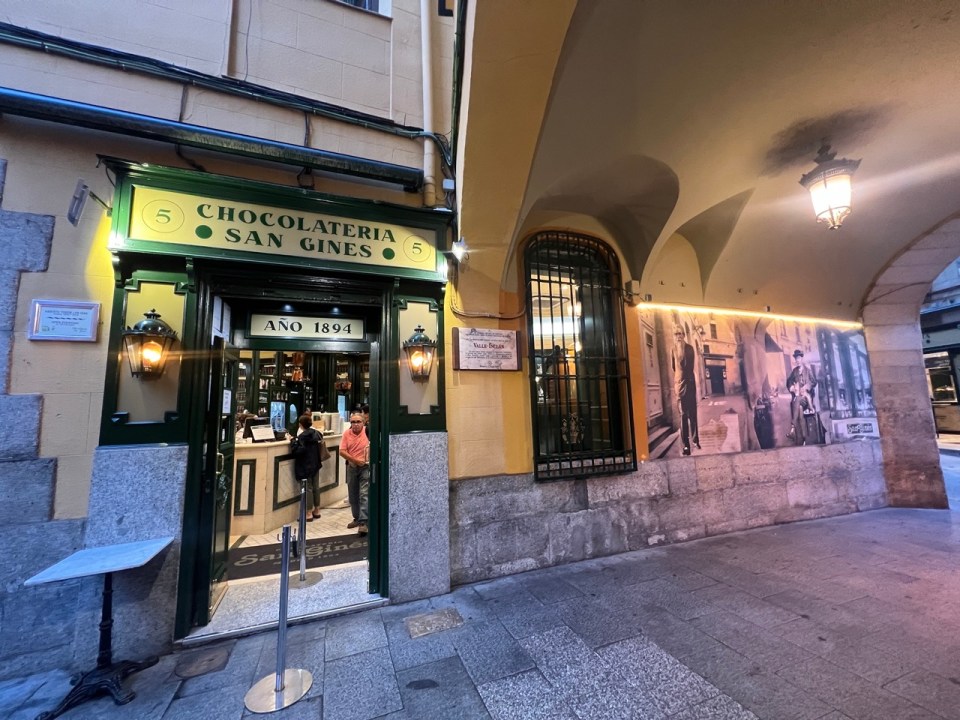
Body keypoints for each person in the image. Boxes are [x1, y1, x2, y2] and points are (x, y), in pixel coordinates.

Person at [339, 412, 370, 536]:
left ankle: (363, 522)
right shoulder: (347, 434)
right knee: (353, 495)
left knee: (364, 494)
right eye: (353, 422)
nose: (355, 424)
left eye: (358, 422)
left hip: (365, 467)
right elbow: (342, 451)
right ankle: (356, 518)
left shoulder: (368, 432)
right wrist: (355, 460)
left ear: (363, 422)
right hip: (352, 467)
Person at [671, 325, 700, 456]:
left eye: (681, 333)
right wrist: (679, 380)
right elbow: (673, 367)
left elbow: (691, 366)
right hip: (679, 385)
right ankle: (686, 445)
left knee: (692, 413)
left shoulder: (690, 348)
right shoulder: (672, 350)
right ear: (674, 335)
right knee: (683, 415)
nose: (679, 336)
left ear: (684, 335)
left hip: (690, 383)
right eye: (677, 334)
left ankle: (695, 440)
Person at [291, 414, 323, 520]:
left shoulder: (302, 437)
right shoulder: (317, 433)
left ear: (300, 425)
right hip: (316, 463)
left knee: (308, 488)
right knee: (316, 487)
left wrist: (293, 442)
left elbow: (298, 452)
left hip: (305, 465)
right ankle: (317, 510)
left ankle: (308, 513)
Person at [787, 349, 820, 445]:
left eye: (798, 358)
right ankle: (803, 438)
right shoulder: (794, 371)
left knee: (797, 402)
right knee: (800, 410)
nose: (797, 360)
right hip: (799, 398)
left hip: (806, 398)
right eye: (795, 359)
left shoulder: (808, 371)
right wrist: (792, 387)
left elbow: (814, 382)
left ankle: (793, 430)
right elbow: (788, 382)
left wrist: (807, 386)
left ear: (801, 359)